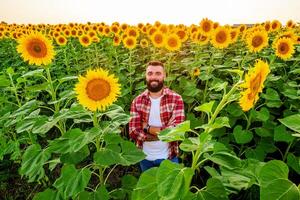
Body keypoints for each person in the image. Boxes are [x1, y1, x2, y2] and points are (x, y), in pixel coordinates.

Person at [129, 60, 185, 172]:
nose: (153, 77)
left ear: (164, 75)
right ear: (145, 76)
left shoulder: (176, 99)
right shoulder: (137, 101)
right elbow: (133, 132)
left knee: (170, 188)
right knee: (149, 188)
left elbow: (177, 132)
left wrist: (147, 128)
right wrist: (165, 133)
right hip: (145, 158)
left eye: (158, 73)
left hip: (169, 157)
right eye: (150, 73)